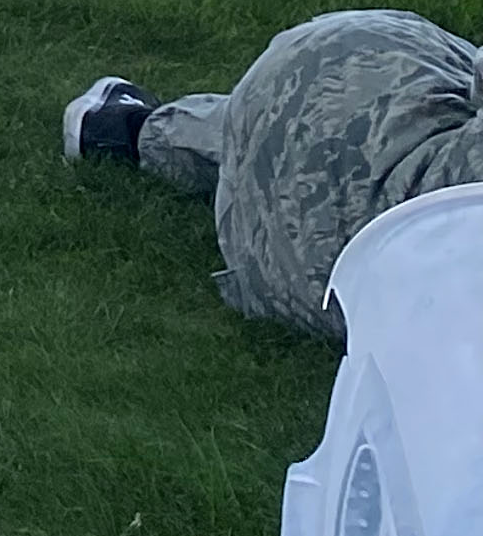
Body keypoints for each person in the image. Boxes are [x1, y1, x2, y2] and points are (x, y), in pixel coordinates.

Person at [64, 17, 480, 335]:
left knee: (295, 126)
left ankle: (126, 128)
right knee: (296, 131)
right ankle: (131, 129)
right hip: (349, 299)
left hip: (313, 269)